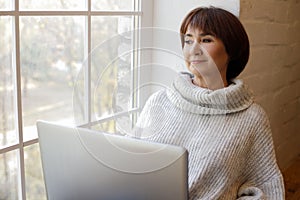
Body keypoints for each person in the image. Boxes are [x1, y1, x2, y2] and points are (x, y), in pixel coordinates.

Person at [134, 6, 285, 199]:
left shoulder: (251, 118)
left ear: (231, 50)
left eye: (206, 40)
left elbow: (268, 190)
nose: (194, 49)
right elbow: (132, 165)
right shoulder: (159, 101)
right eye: (188, 40)